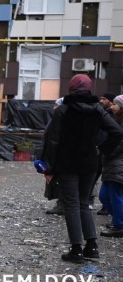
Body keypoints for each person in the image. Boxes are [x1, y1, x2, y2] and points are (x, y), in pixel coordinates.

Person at [40, 74, 123, 263]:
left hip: (68, 163)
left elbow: (52, 141)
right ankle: (92, 246)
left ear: (71, 87)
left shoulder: (63, 110)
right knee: (84, 203)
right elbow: (117, 132)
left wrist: (48, 168)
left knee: (71, 204)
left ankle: (76, 249)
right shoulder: (97, 110)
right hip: (90, 162)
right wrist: (102, 149)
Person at [98, 94, 123, 238]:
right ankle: (118, 221)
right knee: (105, 196)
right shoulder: (116, 121)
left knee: (115, 196)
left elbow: (118, 146)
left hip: (118, 165)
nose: (111, 106)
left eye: (115, 104)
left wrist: (104, 150)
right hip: (112, 165)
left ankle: (119, 225)